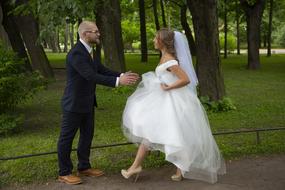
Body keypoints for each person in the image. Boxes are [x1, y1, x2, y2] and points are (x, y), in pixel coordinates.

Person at [121, 28, 226, 183]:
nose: (153, 40)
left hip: (172, 102)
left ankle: (174, 168)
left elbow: (185, 79)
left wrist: (169, 87)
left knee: (174, 134)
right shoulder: (165, 56)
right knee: (156, 133)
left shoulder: (170, 60)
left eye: (156, 38)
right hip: (162, 101)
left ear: (162, 41)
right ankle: (137, 166)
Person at [57, 21, 139, 185]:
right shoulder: (76, 54)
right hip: (73, 104)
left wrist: (122, 74)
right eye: (95, 31)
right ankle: (64, 172)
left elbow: (101, 70)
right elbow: (90, 75)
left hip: (87, 102)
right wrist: (118, 81)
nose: (98, 34)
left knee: (87, 136)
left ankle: (84, 167)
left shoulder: (90, 51)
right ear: (85, 34)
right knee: (66, 138)